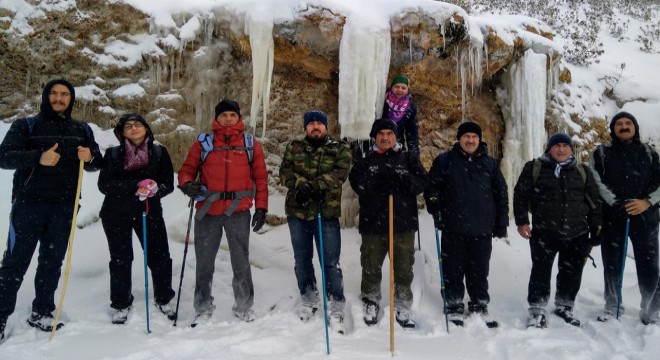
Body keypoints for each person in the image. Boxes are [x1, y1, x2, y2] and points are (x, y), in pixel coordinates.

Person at [0, 79, 102, 339]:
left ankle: (43, 310)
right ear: (46, 97)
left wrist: (89, 157)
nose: (59, 98)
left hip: (64, 207)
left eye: (64, 94)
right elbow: (4, 157)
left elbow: (96, 162)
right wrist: (38, 157)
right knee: (15, 262)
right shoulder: (26, 126)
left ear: (71, 99)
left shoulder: (82, 129)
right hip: (27, 205)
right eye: (54, 94)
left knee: (52, 261)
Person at [178, 99, 268, 326]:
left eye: (232, 115)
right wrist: (187, 184)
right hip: (209, 210)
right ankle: (202, 306)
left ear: (239, 118)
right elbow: (187, 169)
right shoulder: (203, 143)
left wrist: (262, 207)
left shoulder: (250, 144)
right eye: (224, 115)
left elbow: (260, 178)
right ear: (216, 118)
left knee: (241, 261)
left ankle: (244, 306)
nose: (228, 119)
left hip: (238, 210)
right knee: (204, 262)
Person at [424, 121, 508, 328]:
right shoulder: (445, 161)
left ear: (479, 140)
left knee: (479, 269)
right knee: (453, 268)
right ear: (459, 139)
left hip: (482, 227)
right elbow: (431, 188)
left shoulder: (490, 164)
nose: (470, 141)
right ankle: (453, 304)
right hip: (453, 226)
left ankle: (479, 304)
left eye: (474, 137)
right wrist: (436, 209)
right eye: (466, 137)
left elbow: (501, 194)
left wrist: (501, 223)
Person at [514, 133, 602, 328]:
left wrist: (597, 225)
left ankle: (565, 305)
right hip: (545, 231)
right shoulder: (535, 167)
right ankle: (537, 309)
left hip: (577, 232)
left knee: (571, 272)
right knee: (540, 271)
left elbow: (594, 200)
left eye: (565, 145)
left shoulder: (582, 171)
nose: (561, 149)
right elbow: (521, 194)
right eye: (557, 146)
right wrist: (522, 221)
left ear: (571, 149)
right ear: (549, 148)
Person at [349, 118, 428, 330]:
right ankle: (371, 300)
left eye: (389, 134)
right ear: (375, 137)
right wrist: (376, 184)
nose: (385, 138)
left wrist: (403, 182)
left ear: (396, 137)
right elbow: (356, 182)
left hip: (403, 224)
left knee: (403, 267)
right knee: (371, 265)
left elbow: (422, 181)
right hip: (373, 223)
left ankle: (403, 303)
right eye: (381, 134)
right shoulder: (366, 160)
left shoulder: (408, 158)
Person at [98, 113, 176, 324]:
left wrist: (154, 189)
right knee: (121, 259)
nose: (133, 128)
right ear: (121, 132)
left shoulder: (159, 152)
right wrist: (135, 186)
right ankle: (121, 303)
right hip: (116, 214)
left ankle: (163, 297)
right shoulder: (113, 154)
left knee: (159, 255)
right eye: (128, 126)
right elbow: (104, 185)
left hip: (149, 211)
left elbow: (168, 183)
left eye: (137, 124)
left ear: (147, 128)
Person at [279, 110, 351, 334]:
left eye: (320, 123)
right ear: (305, 128)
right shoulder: (294, 147)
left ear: (326, 127)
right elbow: (285, 171)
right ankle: (309, 297)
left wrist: (318, 185)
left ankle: (335, 302)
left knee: (330, 262)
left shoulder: (339, 148)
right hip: (298, 214)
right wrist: (301, 185)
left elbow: (341, 172)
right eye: (311, 124)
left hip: (326, 213)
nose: (316, 127)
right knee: (302, 259)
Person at [589, 111, 660, 324]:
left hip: (645, 217)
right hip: (614, 216)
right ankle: (612, 307)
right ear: (613, 129)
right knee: (612, 263)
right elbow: (596, 179)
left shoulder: (650, 153)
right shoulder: (601, 153)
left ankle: (652, 310)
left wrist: (646, 202)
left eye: (628, 123)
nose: (624, 126)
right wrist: (615, 202)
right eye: (619, 123)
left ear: (635, 127)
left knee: (649, 265)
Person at [381, 75, 420, 159]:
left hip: (397, 147)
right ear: (392, 87)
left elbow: (412, 134)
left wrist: (414, 157)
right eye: (397, 87)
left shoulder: (410, 108)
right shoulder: (381, 101)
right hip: (378, 144)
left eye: (403, 88)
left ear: (407, 90)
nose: (400, 90)